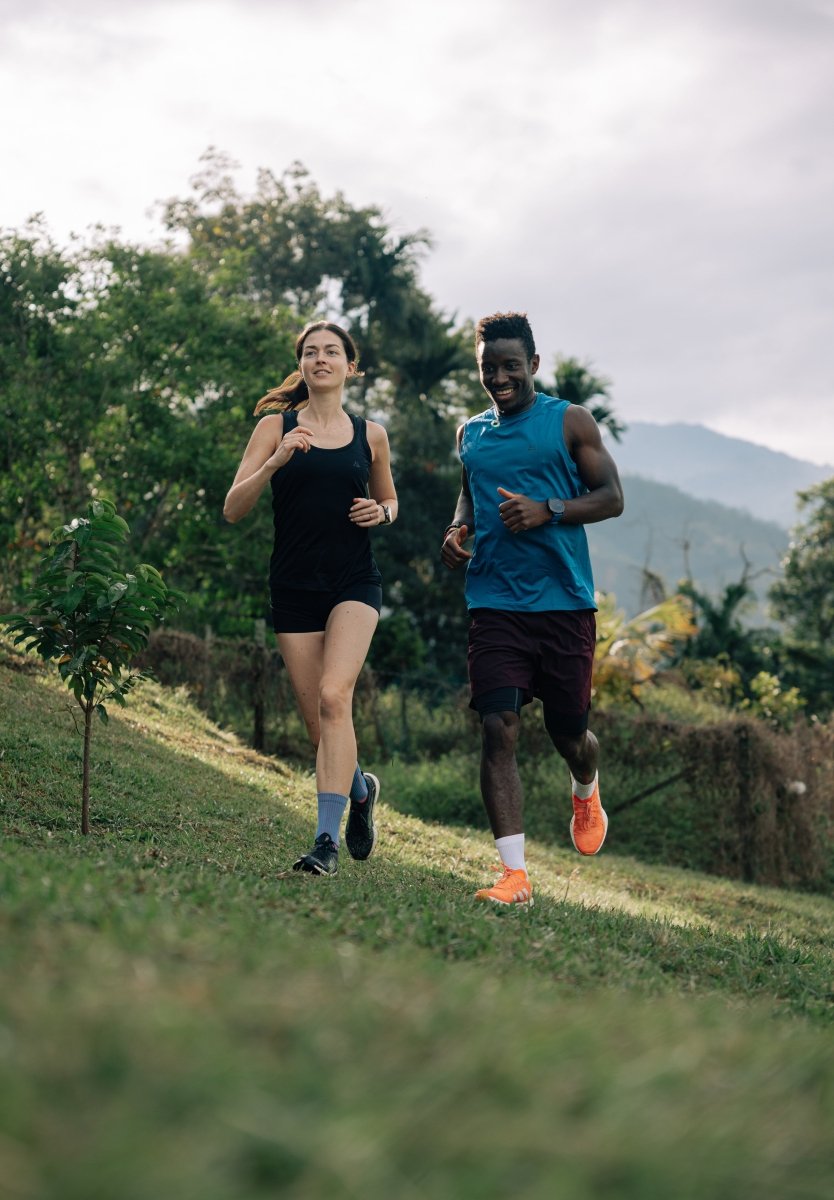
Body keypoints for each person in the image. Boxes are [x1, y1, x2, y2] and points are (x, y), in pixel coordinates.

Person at [441, 311, 624, 907]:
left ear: (533, 366)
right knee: (499, 726)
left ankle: (585, 785)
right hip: (494, 603)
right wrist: (458, 527)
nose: (499, 377)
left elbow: (611, 498)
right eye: (488, 367)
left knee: (569, 733)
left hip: (564, 606)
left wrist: (548, 508)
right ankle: (514, 875)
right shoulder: (472, 433)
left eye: (510, 366)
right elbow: (471, 488)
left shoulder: (568, 421)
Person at [224, 321, 397, 876]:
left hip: (354, 582)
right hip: (294, 587)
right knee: (320, 726)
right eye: (310, 352)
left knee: (333, 696)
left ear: (351, 365)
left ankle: (324, 842)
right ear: (301, 365)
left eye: (331, 352)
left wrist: (383, 512)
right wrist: (275, 462)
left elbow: (390, 498)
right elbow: (233, 508)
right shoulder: (275, 426)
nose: (320, 359)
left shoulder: (370, 434)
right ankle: (360, 792)